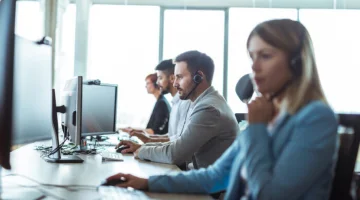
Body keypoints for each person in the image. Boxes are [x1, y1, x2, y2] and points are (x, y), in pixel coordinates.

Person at [106, 19, 339, 200]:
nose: (254, 68)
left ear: (297, 63)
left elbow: (269, 195)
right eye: (252, 57)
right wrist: (146, 183)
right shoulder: (268, 117)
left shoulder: (315, 119)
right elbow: (214, 177)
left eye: (265, 56)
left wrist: (257, 129)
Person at [117, 50, 238, 169]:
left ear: (198, 77)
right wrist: (143, 146)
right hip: (203, 179)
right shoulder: (202, 102)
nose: (174, 84)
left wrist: (140, 150)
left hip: (211, 186)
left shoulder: (208, 109)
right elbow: (179, 144)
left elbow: (175, 154)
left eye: (179, 77)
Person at [129, 59, 191, 143]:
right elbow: (172, 137)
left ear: (172, 78)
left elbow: (178, 142)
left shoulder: (183, 104)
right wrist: (148, 140)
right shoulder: (175, 103)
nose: (157, 83)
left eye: (160, 78)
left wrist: (143, 148)